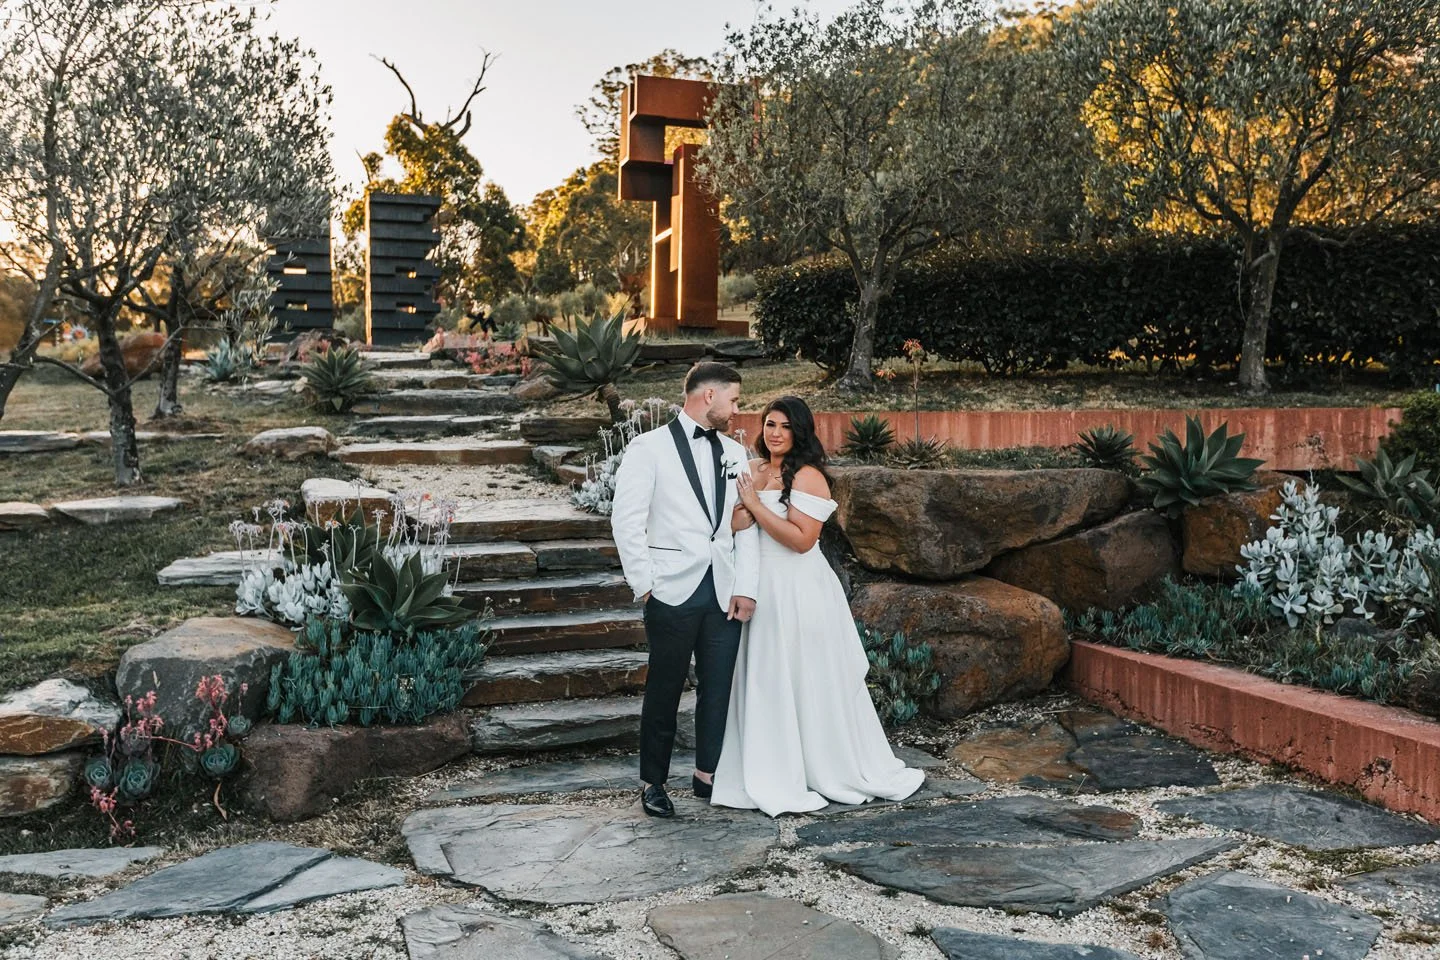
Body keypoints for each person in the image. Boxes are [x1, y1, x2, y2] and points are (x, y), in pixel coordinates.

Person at [711, 395, 925, 817]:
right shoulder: (750, 470)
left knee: (807, 677)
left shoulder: (808, 478)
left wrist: (754, 506)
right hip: (759, 588)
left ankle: (822, 766)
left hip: (798, 589)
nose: (775, 433)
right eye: (770, 424)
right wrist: (737, 520)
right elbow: (732, 526)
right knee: (766, 677)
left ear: (801, 432)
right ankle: (772, 766)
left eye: (785, 427)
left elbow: (801, 540)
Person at [609, 362, 759, 818]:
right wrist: (645, 585)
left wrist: (746, 587)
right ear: (707, 396)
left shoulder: (735, 453)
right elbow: (626, 520)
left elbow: (745, 525)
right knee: (665, 690)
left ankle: (707, 774)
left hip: (722, 590)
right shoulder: (647, 447)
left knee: (718, 688)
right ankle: (653, 782)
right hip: (670, 590)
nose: (737, 410)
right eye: (733, 400)